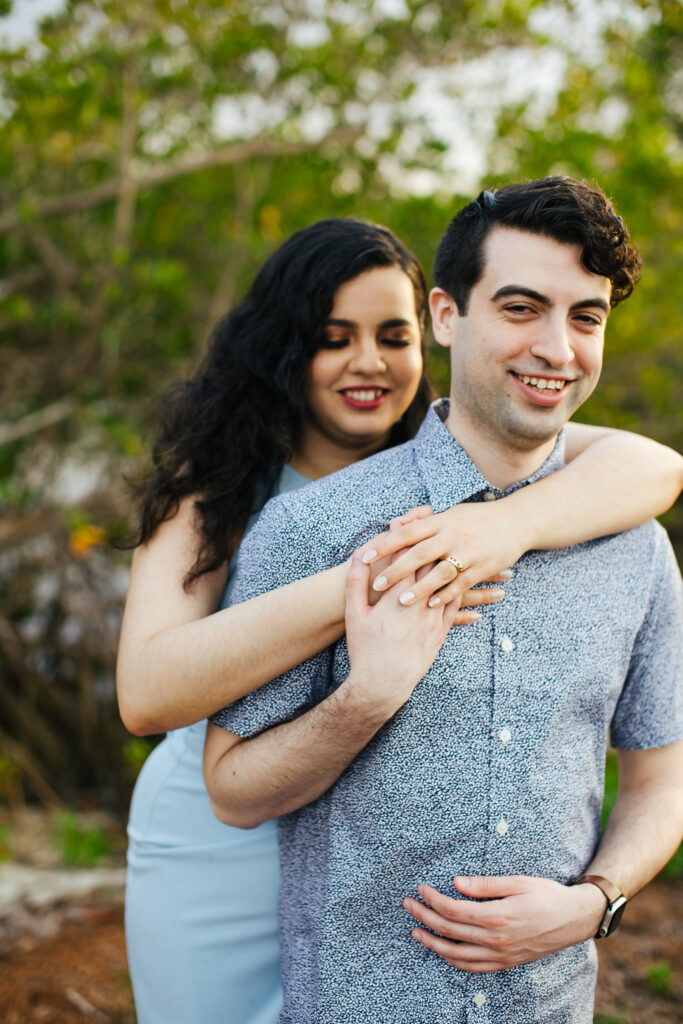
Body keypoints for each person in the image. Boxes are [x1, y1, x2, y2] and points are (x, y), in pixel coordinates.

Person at [204, 181, 683, 1024]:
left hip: (548, 1006)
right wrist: (366, 700)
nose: (556, 348)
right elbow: (233, 793)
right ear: (445, 316)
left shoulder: (636, 548)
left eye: (585, 317)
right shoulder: (311, 529)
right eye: (521, 308)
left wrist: (594, 902)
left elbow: (660, 773)